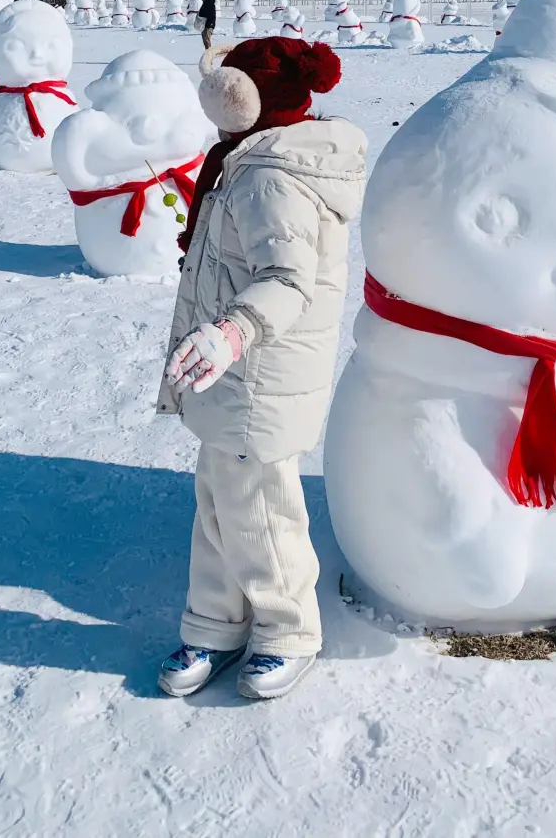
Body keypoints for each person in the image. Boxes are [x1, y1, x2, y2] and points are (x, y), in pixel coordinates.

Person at [156, 36, 367, 701]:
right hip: (232, 378)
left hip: (258, 376)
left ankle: (287, 630)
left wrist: (232, 331)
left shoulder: (272, 177)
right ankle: (216, 621)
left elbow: (288, 279)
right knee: (220, 504)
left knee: (263, 513)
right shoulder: (248, 161)